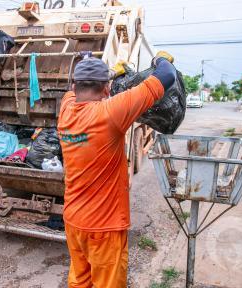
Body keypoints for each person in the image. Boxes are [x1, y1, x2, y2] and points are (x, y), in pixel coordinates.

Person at [58, 52, 176, 288]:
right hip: (104, 227)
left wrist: (108, 74)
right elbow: (167, 75)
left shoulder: (66, 107)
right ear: (106, 89)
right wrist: (159, 60)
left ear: (74, 85)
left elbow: (79, 88)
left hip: (74, 220)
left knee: (80, 280)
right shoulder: (111, 112)